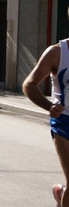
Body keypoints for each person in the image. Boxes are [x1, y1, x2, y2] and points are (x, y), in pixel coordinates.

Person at [22, 38, 69, 207]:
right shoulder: (56, 53)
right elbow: (29, 84)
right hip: (64, 122)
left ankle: (62, 193)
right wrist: (49, 106)